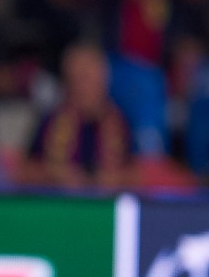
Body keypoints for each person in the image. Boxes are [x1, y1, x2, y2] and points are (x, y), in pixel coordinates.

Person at [19, 42, 135, 189]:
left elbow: (139, 172)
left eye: (89, 77)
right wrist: (53, 175)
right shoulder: (50, 121)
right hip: (61, 205)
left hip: (106, 205)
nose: (84, 85)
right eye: (79, 77)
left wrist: (115, 178)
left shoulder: (120, 121)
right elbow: (24, 172)